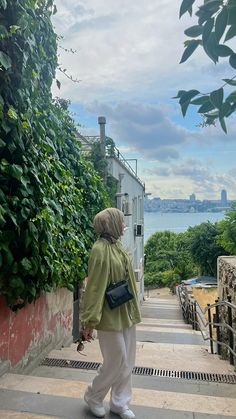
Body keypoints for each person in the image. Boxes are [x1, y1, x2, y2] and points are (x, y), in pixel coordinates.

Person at [81, 207, 141, 419]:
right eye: (120, 222)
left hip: (125, 310)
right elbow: (95, 287)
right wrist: (89, 321)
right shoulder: (100, 249)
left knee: (127, 361)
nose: (124, 226)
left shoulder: (115, 245)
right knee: (116, 359)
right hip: (107, 313)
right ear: (111, 224)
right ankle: (93, 395)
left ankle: (119, 402)